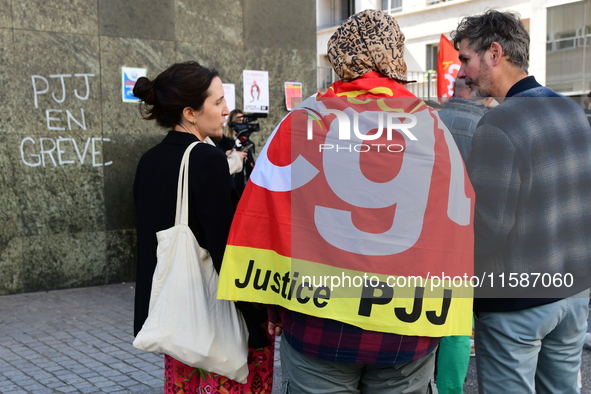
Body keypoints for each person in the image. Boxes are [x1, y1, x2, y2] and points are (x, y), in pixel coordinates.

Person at [257, 10, 473, 393]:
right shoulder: (430, 125)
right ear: (396, 55)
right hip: (406, 326)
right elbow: (454, 223)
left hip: (315, 320)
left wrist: (272, 304)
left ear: (340, 58)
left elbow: (267, 219)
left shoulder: (302, 120)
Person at [452, 10, 591, 394]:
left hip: (516, 300)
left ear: (495, 53)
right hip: (575, 292)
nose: (462, 72)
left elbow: (488, 227)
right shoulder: (573, 110)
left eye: (466, 58)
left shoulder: (500, 123)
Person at [132, 61, 273, 394]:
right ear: (190, 113)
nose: (226, 111)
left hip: (180, 320)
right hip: (218, 322)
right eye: (218, 101)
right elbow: (225, 250)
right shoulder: (206, 160)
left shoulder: (149, 160)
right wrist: (257, 321)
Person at [434, 77, 490, 394]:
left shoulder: (427, 121)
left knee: (419, 314)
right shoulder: (490, 127)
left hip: (422, 238)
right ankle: (449, 390)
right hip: (466, 242)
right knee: (456, 325)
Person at [222, 109, 256, 197]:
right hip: (233, 180)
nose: (241, 123)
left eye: (243, 121)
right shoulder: (225, 141)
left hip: (246, 179)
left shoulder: (249, 143)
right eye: (238, 121)